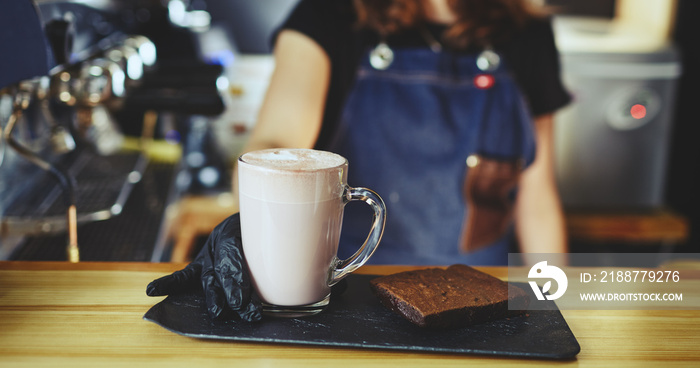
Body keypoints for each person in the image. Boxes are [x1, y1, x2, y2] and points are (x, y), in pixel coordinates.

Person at [240, 0, 570, 265]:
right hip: (351, 284)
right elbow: (276, 148)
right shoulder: (327, 15)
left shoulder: (529, 32)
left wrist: (558, 308)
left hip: (483, 290)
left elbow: (537, 200)